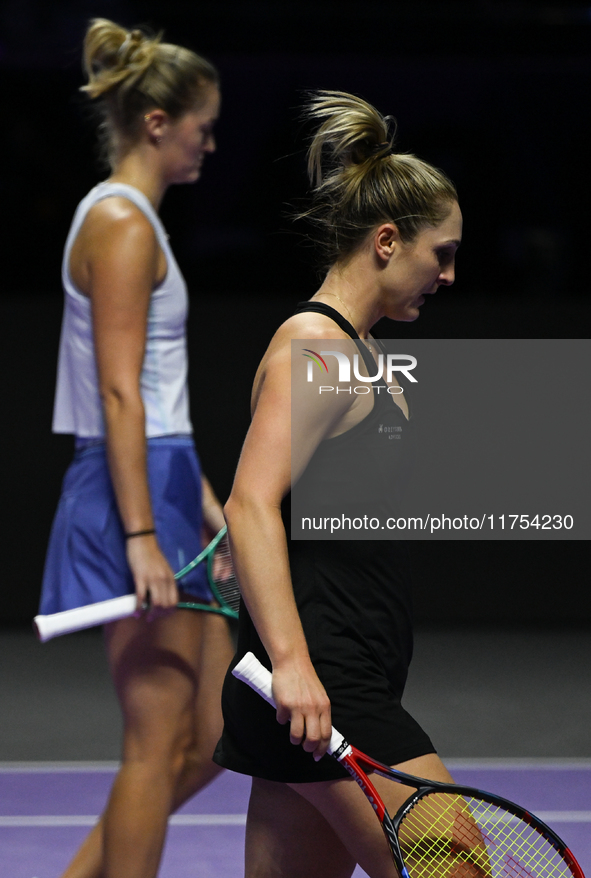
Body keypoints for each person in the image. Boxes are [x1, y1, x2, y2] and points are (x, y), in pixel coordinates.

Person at [213, 91, 463, 877]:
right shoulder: (315, 345)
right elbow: (249, 502)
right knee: (456, 868)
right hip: (324, 683)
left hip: (330, 678)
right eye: (441, 254)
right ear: (386, 241)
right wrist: (290, 664)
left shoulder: (362, 359)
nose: (448, 276)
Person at [38, 19, 234, 878]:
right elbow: (119, 394)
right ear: (158, 123)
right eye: (203, 126)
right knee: (156, 746)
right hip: (133, 494)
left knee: (215, 737)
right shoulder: (119, 224)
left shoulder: (136, 223)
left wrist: (211, 510)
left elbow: (157, 398)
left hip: (167, 480)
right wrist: (144, 535)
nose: (210, 143)